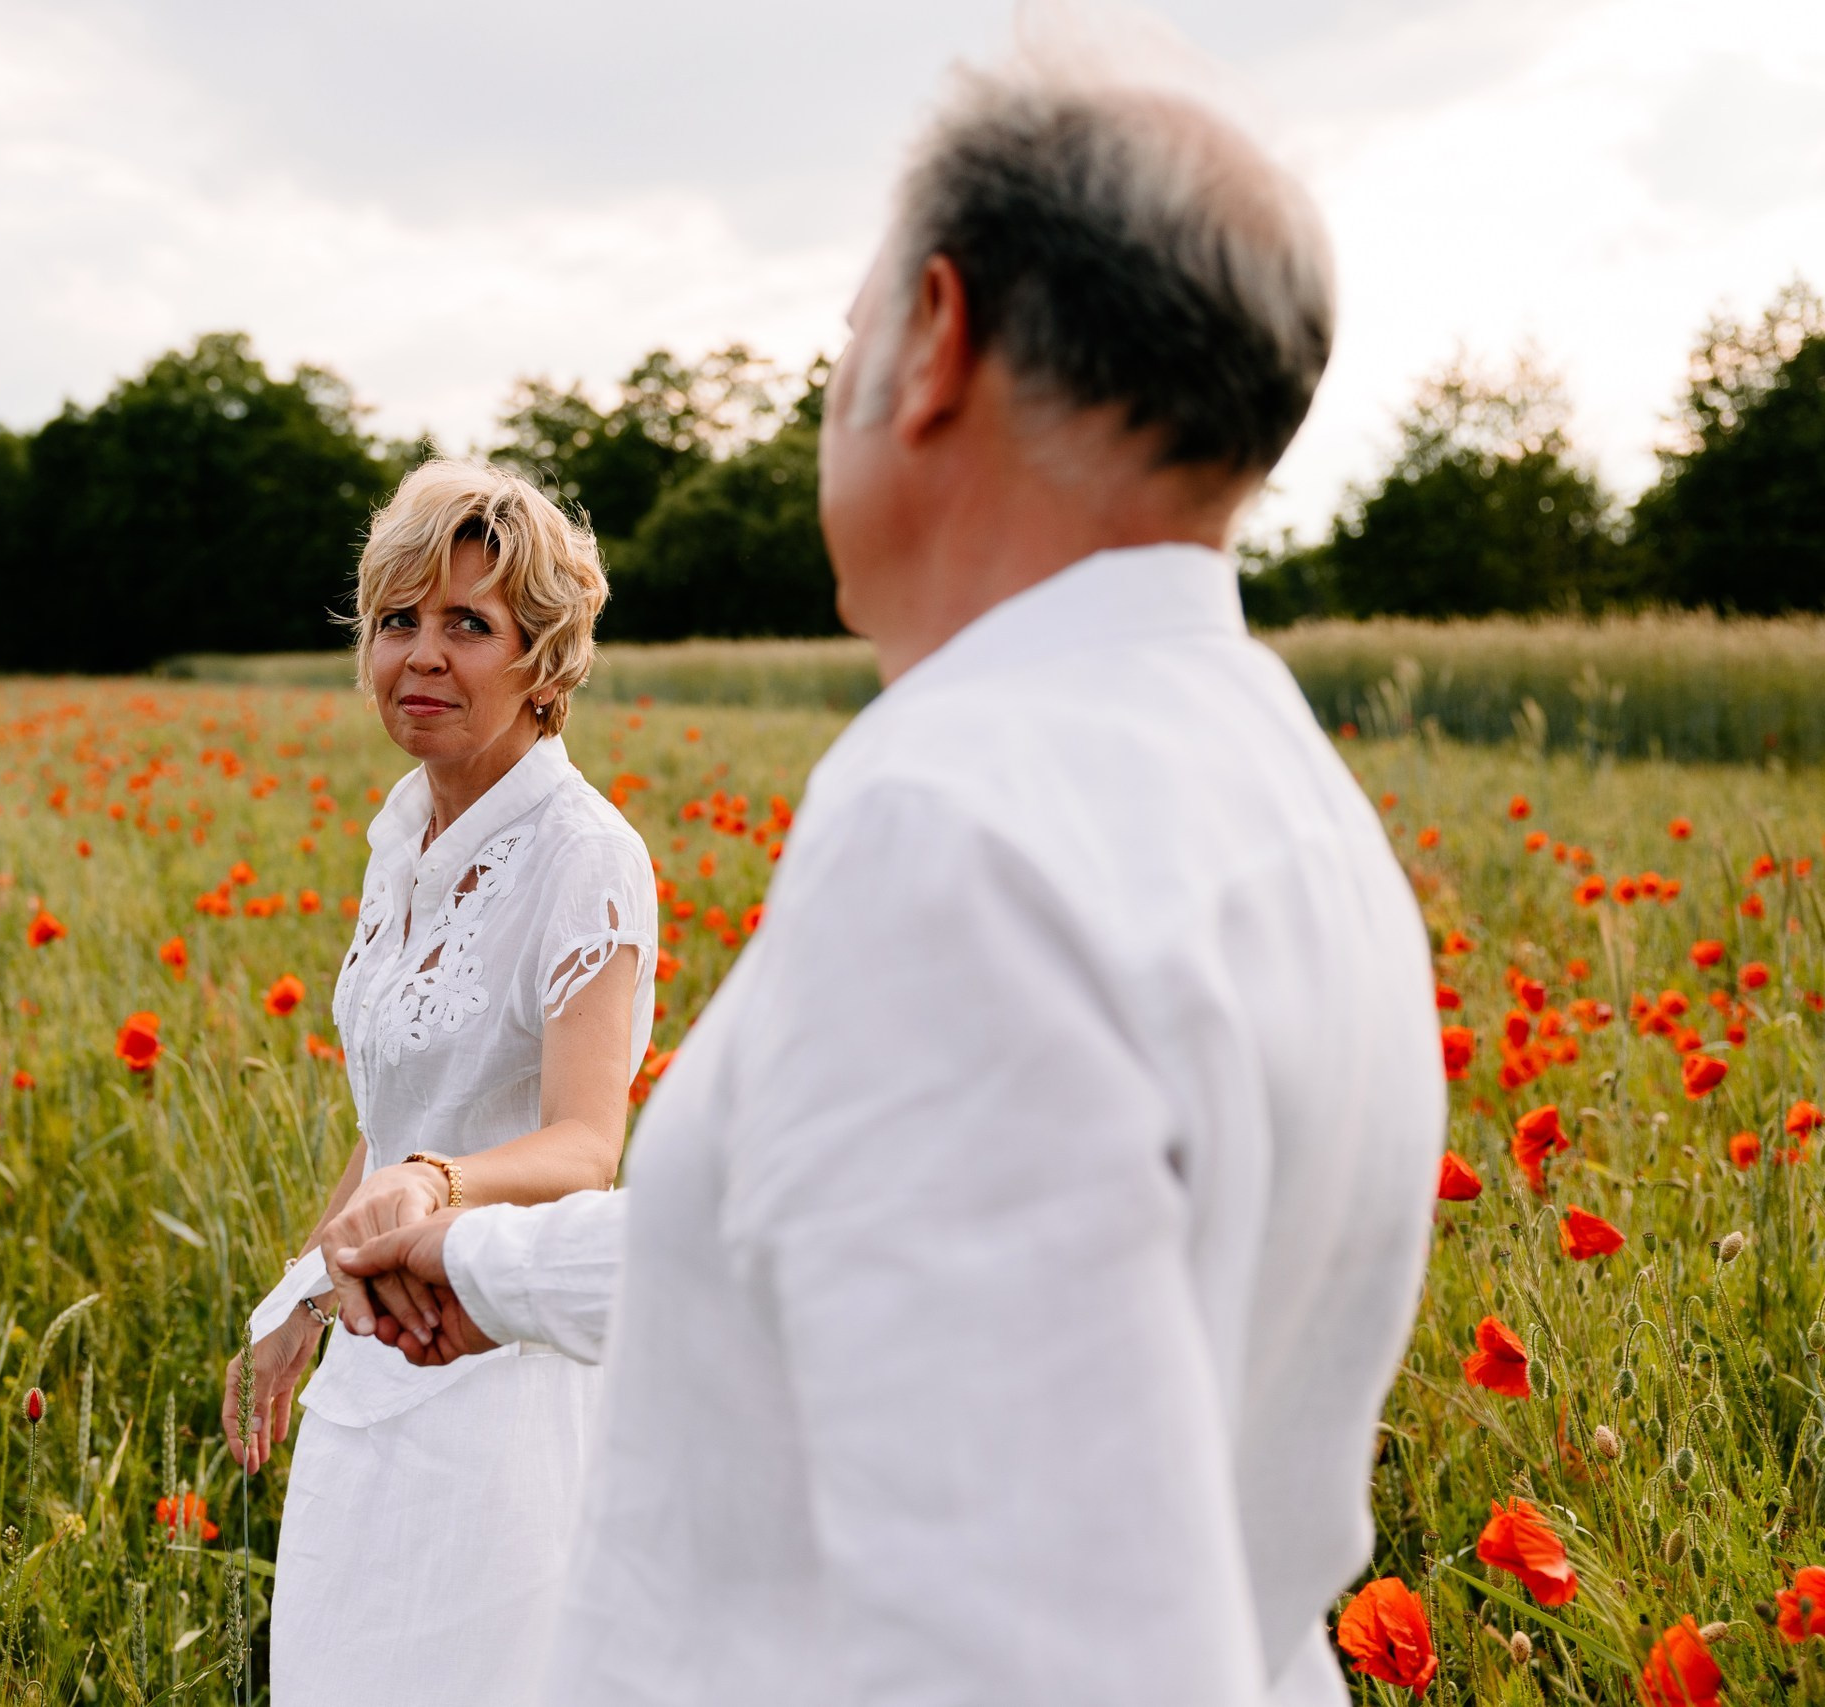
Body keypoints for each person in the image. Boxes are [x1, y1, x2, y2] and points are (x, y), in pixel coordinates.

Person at [331, 62, 1446, 1707]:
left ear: (934, 340)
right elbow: (842, 1240)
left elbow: (1011, 1636)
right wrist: (473, 1264)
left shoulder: (964, 829)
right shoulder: (1288, 797)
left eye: (848, 329)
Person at [223, 459, 657, 1707]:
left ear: (545, 663)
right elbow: (391, 1122)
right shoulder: (399, 831)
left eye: (469, 624)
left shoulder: (586, 858)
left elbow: (586, 1147)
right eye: (397, 620)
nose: (421, 653)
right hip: (373, 1360)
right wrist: (301, 1300)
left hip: (499, 1364)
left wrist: (438, 1183)